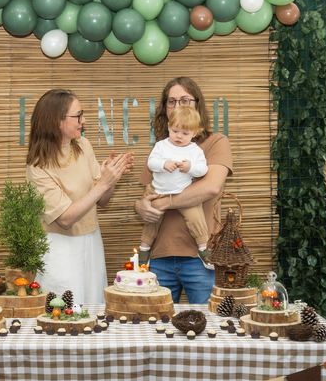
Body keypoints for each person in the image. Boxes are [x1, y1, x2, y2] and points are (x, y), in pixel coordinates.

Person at [25, 88, 133, 304]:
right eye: (78, 115)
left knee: (93, 305)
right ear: (56, 121)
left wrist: (110, 178)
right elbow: (65, 219)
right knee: (64, 310)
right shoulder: (37, 165)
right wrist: (103, 183)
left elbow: (102, 200)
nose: (83, 120)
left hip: (91, 241)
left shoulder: (83, 146)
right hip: (58, 248)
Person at [134, 77, 232, 304]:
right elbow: (147, 198)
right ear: (165, 111)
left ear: (197, 105)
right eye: (171, 101)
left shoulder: (215, 142)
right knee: (154, 325)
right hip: (159, 258)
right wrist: (140, 207)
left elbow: (211, 187)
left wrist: (163, 203)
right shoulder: (160, 148)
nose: (178, 106)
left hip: (200, 259)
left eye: (185, 100)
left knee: (210, 325)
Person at [139, 105, 209, 257]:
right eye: (175, 131)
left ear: (194, 133)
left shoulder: (195, 150)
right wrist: (164, 164)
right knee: (152, 220)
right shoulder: (161, 145)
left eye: (185, 133)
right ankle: (144, 248)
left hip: (183, 194)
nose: (178, 136)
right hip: (158, 192)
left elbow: (203, 169)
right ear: (169, 127)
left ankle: (203, 247)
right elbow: (151, 163)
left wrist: (190, 167)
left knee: (196, 217)